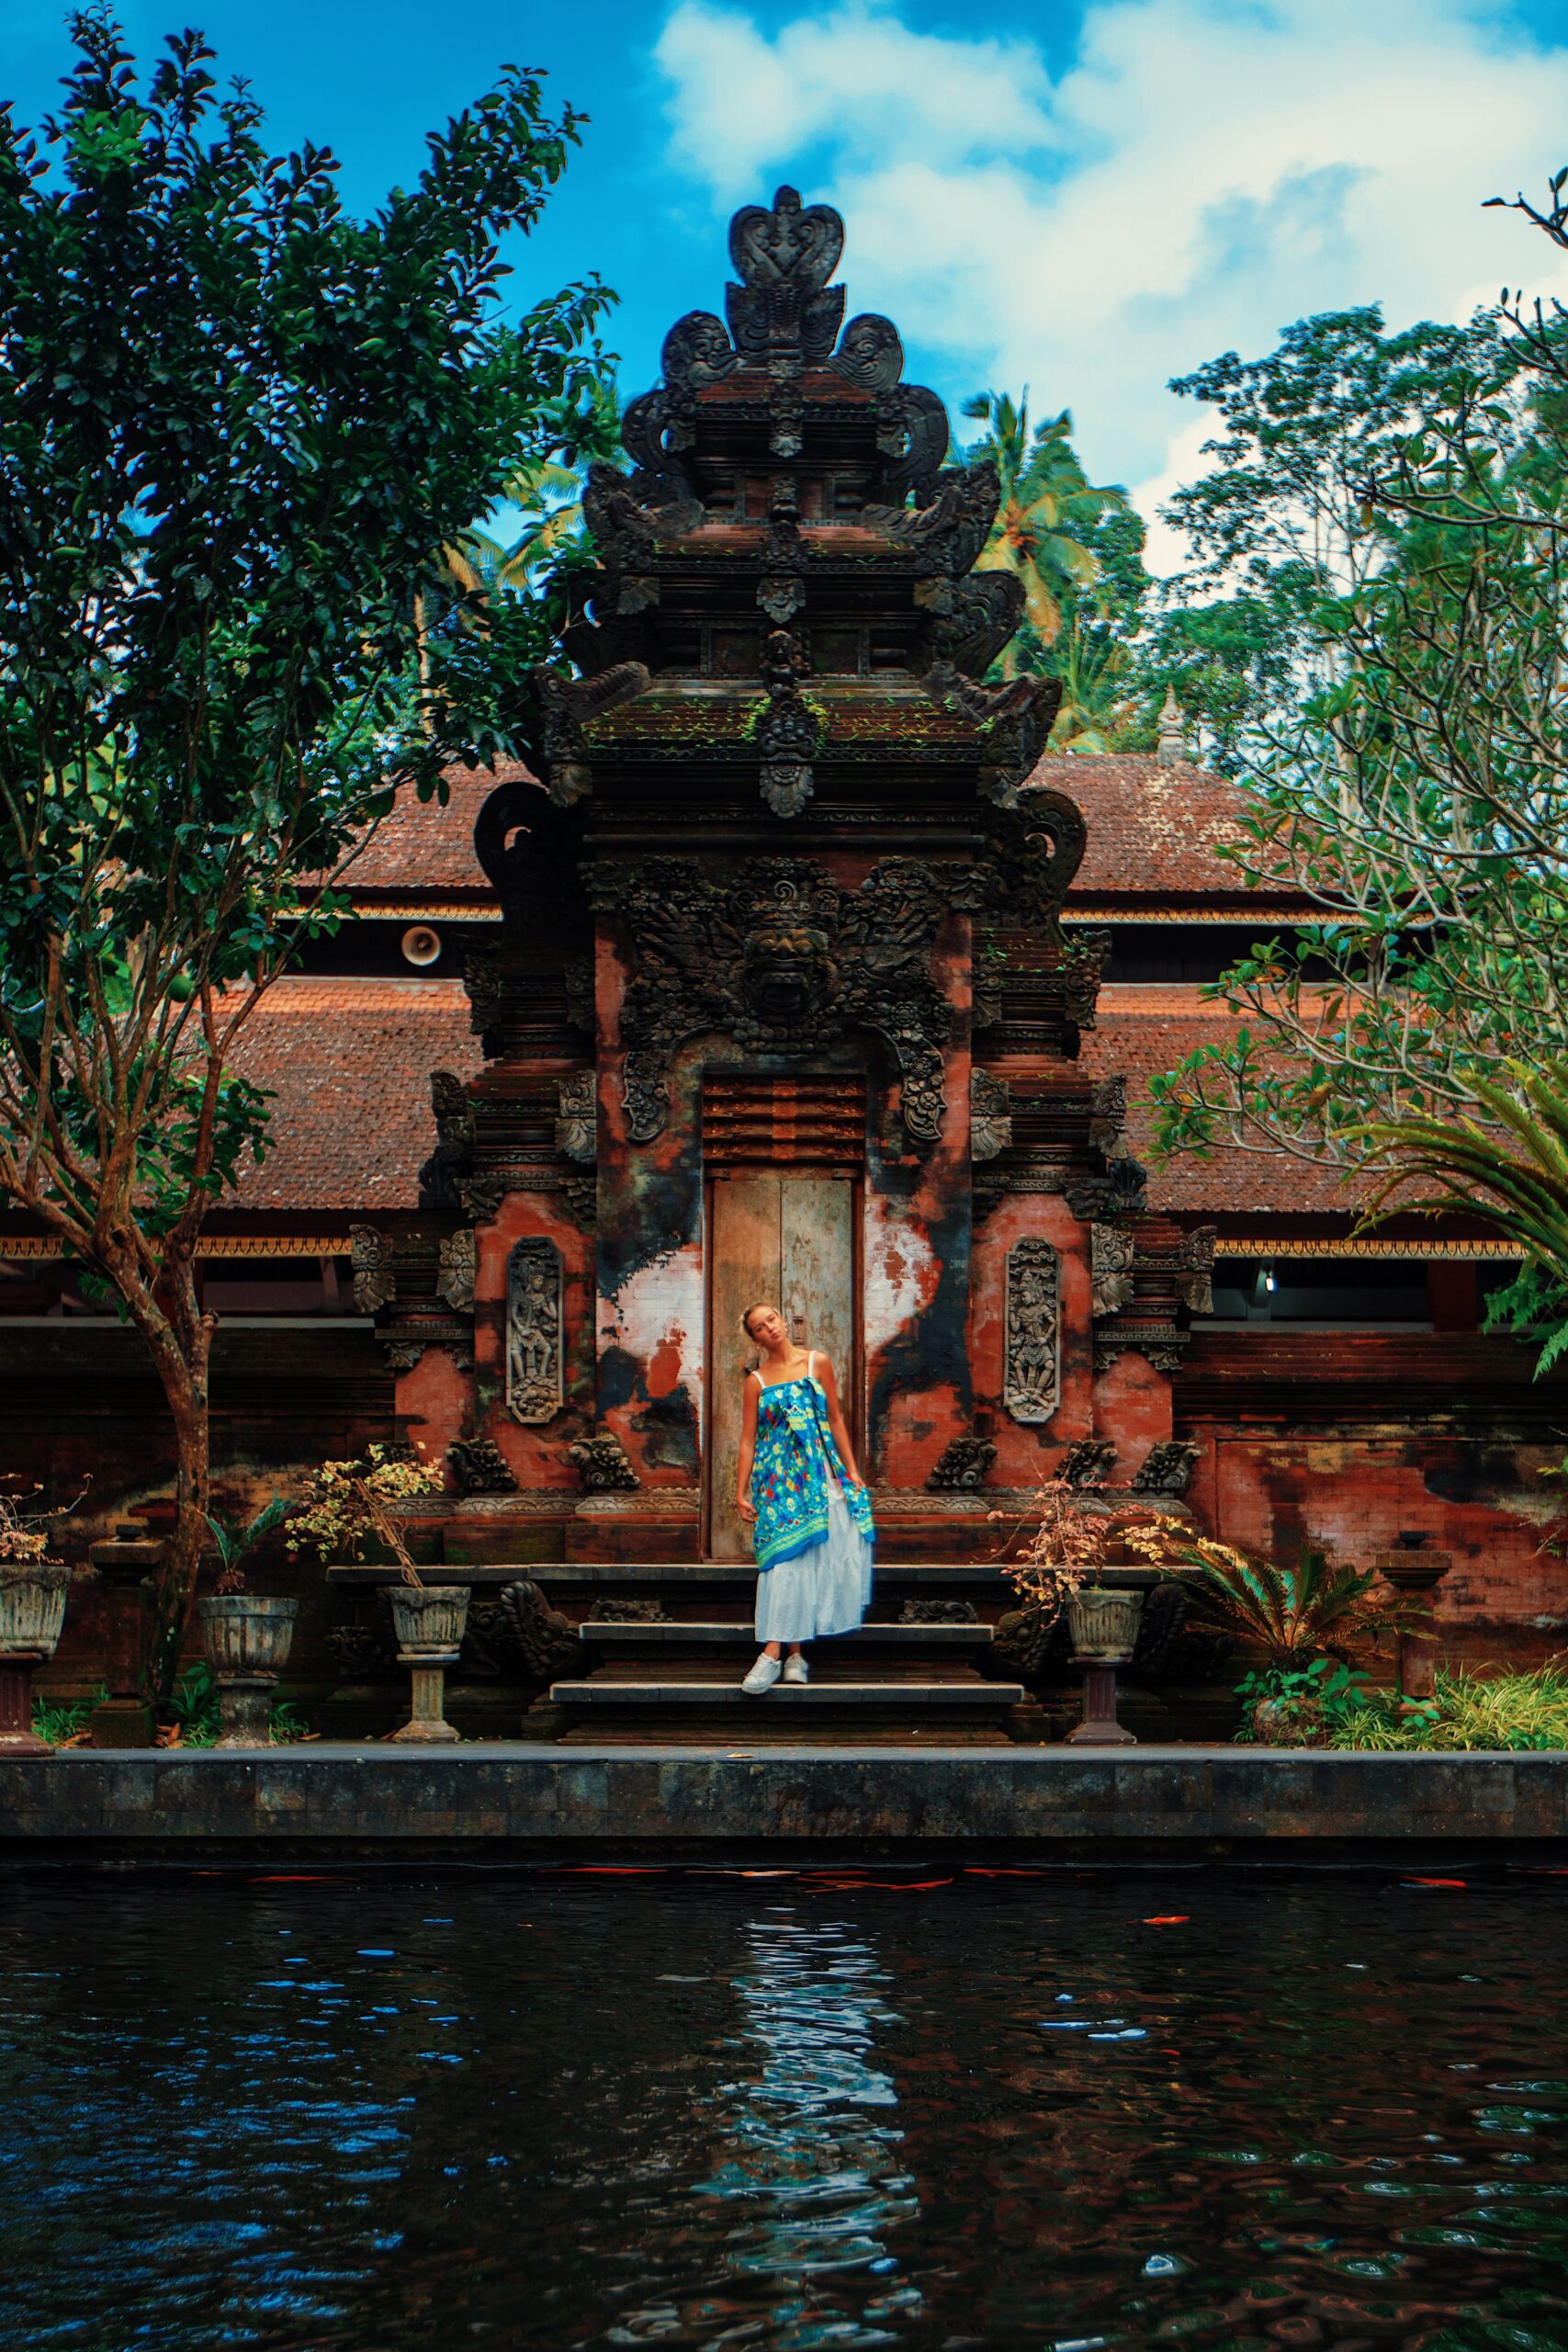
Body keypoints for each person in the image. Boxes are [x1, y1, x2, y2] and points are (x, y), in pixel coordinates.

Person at [733, 1302, 874, 1694]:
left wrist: (852, 1470)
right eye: (759, 1327)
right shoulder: (756, 1382)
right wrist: (739, 1490)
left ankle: (779, 1655)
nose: (770, 1328)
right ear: (755, 1338)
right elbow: (748, 1441)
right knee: (784, 1562)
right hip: (778, 1482)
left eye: (772, 1319)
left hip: (819, 1473)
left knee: (808, 1556)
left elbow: (835, 1420)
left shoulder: (817, 1363)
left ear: (782, 1319)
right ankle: (787, 1655)